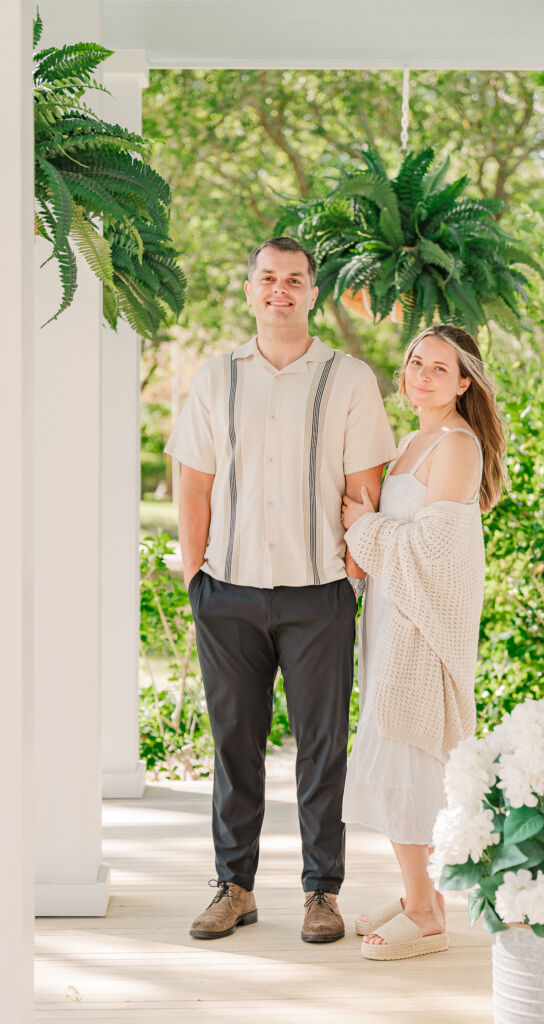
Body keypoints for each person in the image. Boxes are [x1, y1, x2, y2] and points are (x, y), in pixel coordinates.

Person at [164, 237, 396, 943]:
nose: (279, 291)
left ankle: (321, 892)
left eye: (294, 280)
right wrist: (195, 566)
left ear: (312, 293)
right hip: (226, 592)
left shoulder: (348, 378)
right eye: (267, 278)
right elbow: (194, 477)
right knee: (234, 744)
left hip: (317, 593)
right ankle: (233, 887)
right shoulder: (215, 376)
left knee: (322, 748)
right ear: (249, 288)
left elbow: (365, 486)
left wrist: (352, 572)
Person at [341, 324, 507, 961]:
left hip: (420, 628)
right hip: (390, 617)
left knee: (405, 753)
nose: (422, 375)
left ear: (465, 382)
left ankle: (423, 914)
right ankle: (423, 896)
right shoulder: (413, 439)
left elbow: (438, 552)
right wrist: (370, 534)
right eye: (416, 363)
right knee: (390, 750)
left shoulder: (456, 445)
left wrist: (366, 528)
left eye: (440, 368)